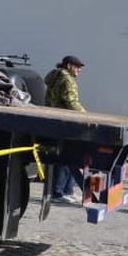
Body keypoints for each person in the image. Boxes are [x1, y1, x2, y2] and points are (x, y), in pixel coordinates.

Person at [43, 55, 86, 204]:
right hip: (66, 121)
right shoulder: (67, 79)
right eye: (77, 67)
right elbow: (71, 101)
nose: (79, 70)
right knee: (68, 158)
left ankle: (67, 191)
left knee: (63, 157)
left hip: (54, 120)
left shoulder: (53, 76)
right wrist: (85, 117)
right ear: (68, 65)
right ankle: (59, 193)